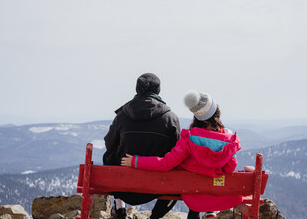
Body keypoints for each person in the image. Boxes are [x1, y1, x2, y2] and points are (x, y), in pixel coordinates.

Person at [121, 90, 243, 219]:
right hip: (216, 194)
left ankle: (155, 217)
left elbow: (165, 163)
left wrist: (136, 161)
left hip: (191, 194)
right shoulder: (229, 140)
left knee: (177, 182)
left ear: (196, 116)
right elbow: (230, 167)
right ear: (216, 111)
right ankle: (209, 212)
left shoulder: (188, 139)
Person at [103, 73, 180, 219]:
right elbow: (177, 151)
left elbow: (109, 144)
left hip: (123, 185)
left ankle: (119, 207)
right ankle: (155, 216)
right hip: (159, 185)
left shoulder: (122, 115)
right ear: (158, 90)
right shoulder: (170, 118)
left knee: (109, 156)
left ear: (137, 89)